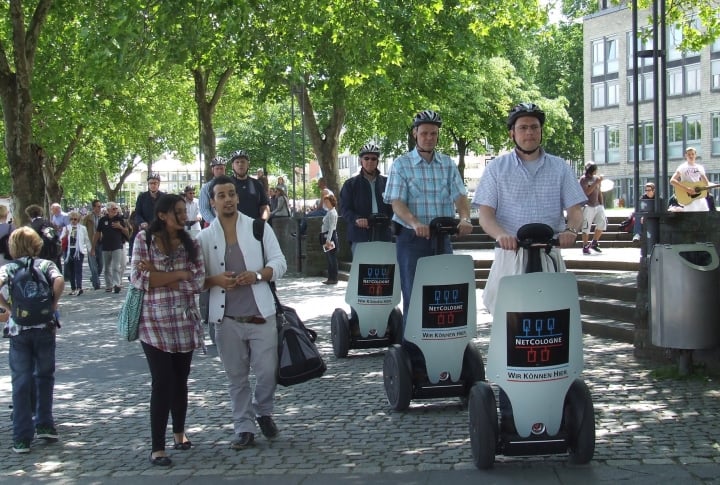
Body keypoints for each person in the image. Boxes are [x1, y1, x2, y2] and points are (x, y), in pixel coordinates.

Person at [197, 175, 287, 450]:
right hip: (226, 319)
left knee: (267, 372)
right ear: (212, 202)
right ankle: (244, 427)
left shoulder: (258, 228)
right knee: (236, 377)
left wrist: (258, 275)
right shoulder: (203, 238)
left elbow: (279, 263)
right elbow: (195, 278)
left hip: (261, 314)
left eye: (231, 194)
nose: (228, 199)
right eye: (221, 195)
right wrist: (215, 280)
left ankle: (263, 410)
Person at [473, 102, 586, 315]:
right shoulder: (497, 168)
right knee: (507, 316)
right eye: (523, 127)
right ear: (512, 134)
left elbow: (575, 210)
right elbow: (486, 215)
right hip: (511, 253)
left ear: (541, 131)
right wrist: (501, 235)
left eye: (534, 127)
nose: (529, 133)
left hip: (548, 252)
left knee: (554, 314)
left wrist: (571, 231)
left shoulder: (560, 167)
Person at [130, 194, 205, 467]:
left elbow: (197, 282)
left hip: (184, 320)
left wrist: (161, 276)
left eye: (185, 211)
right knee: (162, 381)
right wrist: (179, 275)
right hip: (153, 322)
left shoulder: (192, 244)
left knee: (180, 379)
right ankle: (157, 447)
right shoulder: (143, 241)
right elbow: (139, 279)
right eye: (178, 212)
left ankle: (179, 433)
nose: (184, 216)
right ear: (162, 215)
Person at [383, 109, 473, 322]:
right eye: (424, 133)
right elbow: (397, 202)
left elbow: (460, 196)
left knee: (446, 294)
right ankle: (413, 350)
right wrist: (414, 222)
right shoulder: (402, 164)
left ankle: (444, 340)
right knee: (414, 294)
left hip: (442, 238)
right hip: (412, 239)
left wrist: (465, 218)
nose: (429, 138)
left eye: (433, 133)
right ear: (415, 133)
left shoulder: (447, 164)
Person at [0, 226, 64, 454]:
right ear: (37, 244)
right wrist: (52, 305)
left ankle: (21, 436)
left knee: (21, 380)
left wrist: (8, 308)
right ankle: (45, 423)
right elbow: (58, 281)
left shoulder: (9, 267)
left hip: (19, 329)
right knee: (45, 376)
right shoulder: (46, 264)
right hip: (45, 327)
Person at [339, 143, 393, 255]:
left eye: (373, 159)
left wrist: (391, 220)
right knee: (362, 270)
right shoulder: (350, 184)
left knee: (385, 269)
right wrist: (356, 219)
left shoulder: (387, 183)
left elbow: (394, 206)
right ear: (361, 161)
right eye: (366, 158)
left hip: (383, 234)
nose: (370, 161)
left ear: (377, 161)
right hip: (360, 235)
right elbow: (344, 209)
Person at [93, 202, 130, 293]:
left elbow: (127, 232)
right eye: (113, 209)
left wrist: (120, 227)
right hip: (105, 246)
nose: (115, 210)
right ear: (108, 210)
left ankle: (116, 284)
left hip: (117, 246)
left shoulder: (120, 219)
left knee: (116, 266)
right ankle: (108, 285)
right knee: (106, 267)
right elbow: (97, 233)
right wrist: (93, 247)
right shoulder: (103, 220)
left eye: (116, 209)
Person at [228, 150, 270, 220]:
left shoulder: (257, 184)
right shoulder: (226, 184)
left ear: (248, 165)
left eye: (243, 162)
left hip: (253, 226)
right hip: (233, 227)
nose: (240, 164)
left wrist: (262, 222)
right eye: (237, 162)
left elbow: (265, 206)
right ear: (232, 166)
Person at [60, 211, 92, 296]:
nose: (73, 221)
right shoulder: (66, 228)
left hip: (78, 251)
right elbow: (60, 239)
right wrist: (65, 235)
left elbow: (86, 239)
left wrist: (90, 250)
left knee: (78, 269)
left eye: (75, 219)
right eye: (71, 219)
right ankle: (73, 288)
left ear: (78, 220)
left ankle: (79, 287)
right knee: (71, 270)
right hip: (69, 251)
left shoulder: (82, 228)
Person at [669, 147, 710, 212]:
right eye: (689, 154)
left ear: (695, 155)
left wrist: (715, 186)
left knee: (705, 216)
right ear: (686, 156)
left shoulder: (700, 167)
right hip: (689, 198)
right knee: (691, 219)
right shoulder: (682, 167)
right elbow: (672, 181)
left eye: (692, 154)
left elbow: (707, 183)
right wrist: (687, 189)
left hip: (700, 197)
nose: (691, 156)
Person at [579, 162, 607, 255]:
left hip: (597, 205)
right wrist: (596, 183)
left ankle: (594, 242)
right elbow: (586, 192)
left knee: (602, 223)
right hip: (588, 206)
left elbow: (599, 192)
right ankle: (585, 246)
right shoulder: (584, 179)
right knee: (586, 226)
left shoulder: (596, 178)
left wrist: (602, 204)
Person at [199, 156, 227, 224]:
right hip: (213, 224)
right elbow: (204, 209)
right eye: (217, 169)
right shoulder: (206, 188)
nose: (220, 171)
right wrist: (214, 222)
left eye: (221, 168)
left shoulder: (231, 185)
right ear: (212, 170)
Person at [82, 200, 103, 290]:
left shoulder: (103, 217)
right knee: (93, 264)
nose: (99, 208)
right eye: (98, 206)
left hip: (101, 242)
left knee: (101, 264)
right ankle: (96, 283)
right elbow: (83, 229)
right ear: (94, 207)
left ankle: (94, 277)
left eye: (100, 206)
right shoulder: (88, 218)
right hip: (90, 242)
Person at [320, 194, 339, 285]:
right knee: (329, 258)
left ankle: (334, 278)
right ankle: (330, 278)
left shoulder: (332, 213)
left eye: (327, 202)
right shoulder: (329, 212)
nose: (326, 204)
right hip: (327, 236)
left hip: (330, 237)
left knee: (332, 258)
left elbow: (331, 227)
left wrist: (328, 239)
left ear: (332, 202)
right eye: (325, 202)